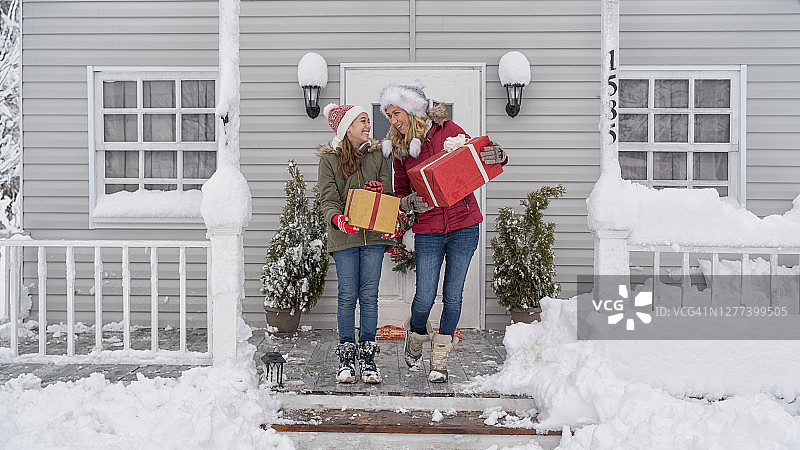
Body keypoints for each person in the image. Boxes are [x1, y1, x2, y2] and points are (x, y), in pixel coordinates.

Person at [379, 81, 507, 382]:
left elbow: (478, 155)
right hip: (429, 229)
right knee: (424, 296)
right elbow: (399, 193)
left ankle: (440, 358)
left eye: (397, 113)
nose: (394, 121)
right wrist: (409, 202)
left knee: (453, 294)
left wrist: (498, 155)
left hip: (463, 224)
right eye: (389, 116)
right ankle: (417, 332)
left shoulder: (447, 130)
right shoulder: (400, 150)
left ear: (411, 110)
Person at [317, 103, 393, 384]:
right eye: (362, 121)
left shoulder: (376, 155)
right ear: (347, 127)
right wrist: (337, 219)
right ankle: (347, 358)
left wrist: (379, 190)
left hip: (372, 236)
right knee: (348, 295)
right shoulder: (329, 160)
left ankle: (369, 359)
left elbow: (388, 190)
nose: (368, 126)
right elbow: (328, 196)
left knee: (370, 296)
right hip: (344, 236)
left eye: (367, 121)